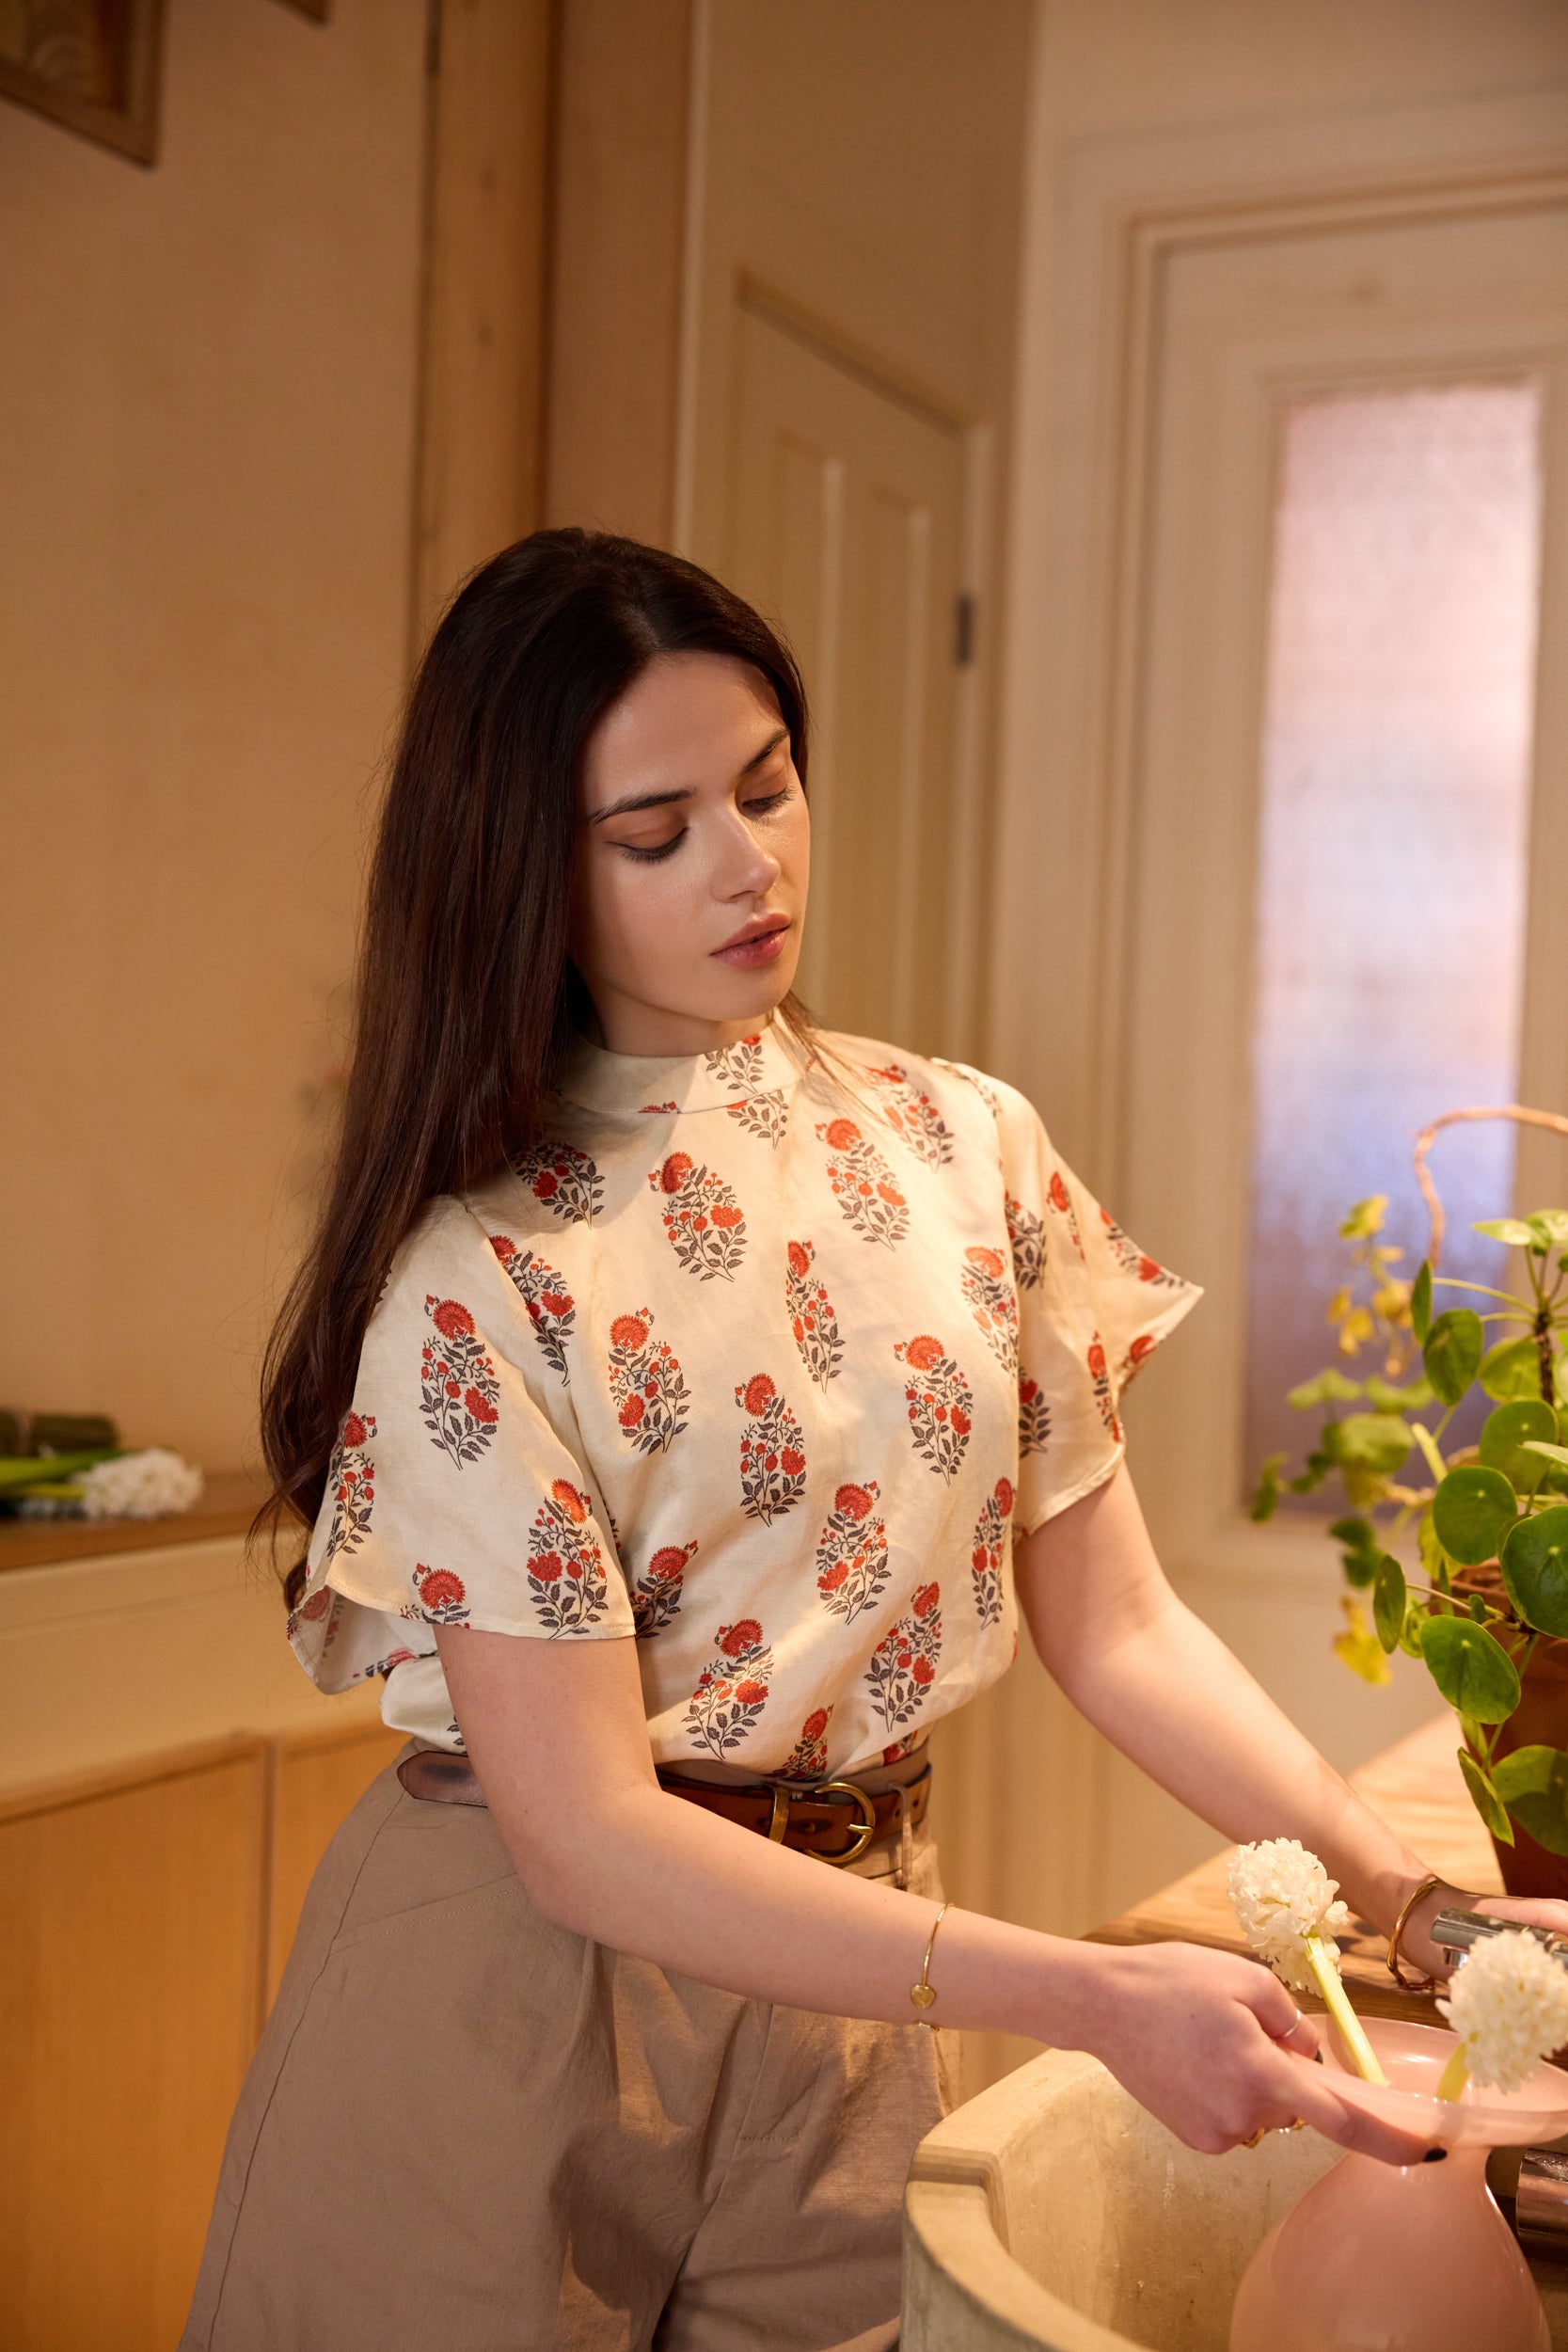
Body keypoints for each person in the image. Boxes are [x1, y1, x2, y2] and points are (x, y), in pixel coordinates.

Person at [182, 532, 1568, 2352]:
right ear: (525, 869)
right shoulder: (480, 1268)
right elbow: (587, 1838)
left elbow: (1119, 1624)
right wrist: (1091, 1994)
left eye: (767, 786)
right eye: (655, 830)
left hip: (858, 1967)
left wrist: (1422, 1907)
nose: (749, 865)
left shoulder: (960, 1145)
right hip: (513, 2002)